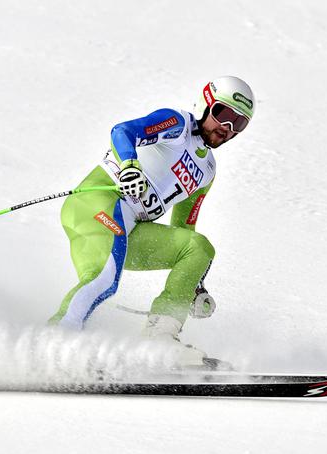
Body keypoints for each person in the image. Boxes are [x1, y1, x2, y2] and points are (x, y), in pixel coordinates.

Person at [48, 76, 255, 366]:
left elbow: (183, 230)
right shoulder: (177, 125)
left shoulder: (206, 170)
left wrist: (193, 284)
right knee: (103, 278)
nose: (227, 127)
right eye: (224, 114)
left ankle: (160, 340)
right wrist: (130, 166)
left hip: (131, 228)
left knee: (198, 249)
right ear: (206, 104)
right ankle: (52, 344)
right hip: (98, 206)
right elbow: (123, 132)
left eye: (239, 124)